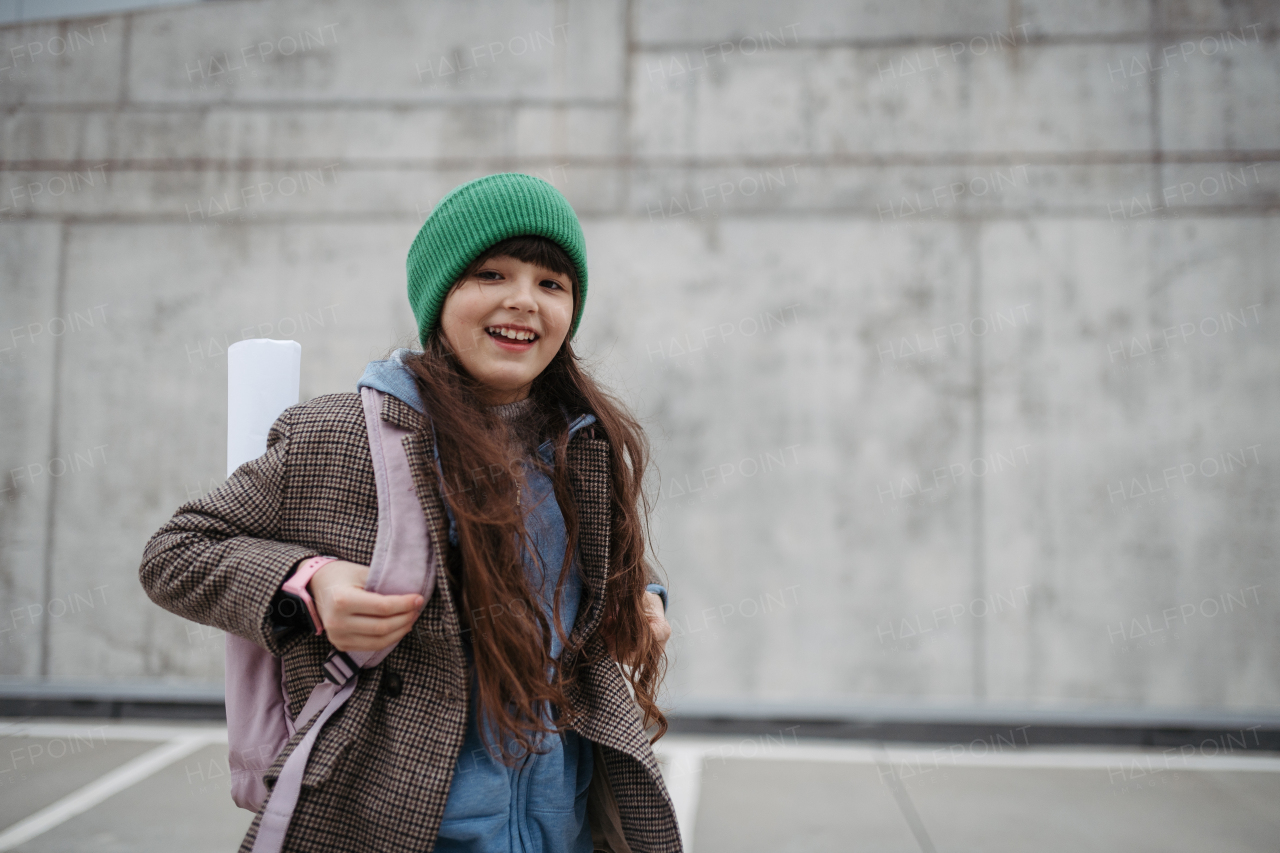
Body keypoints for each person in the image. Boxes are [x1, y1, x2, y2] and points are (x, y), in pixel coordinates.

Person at [139, 173, 681, 853]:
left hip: (562, 826)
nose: (524, 301)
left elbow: (589, 576)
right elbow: (176, 551)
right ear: (438, 295)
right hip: (398, 824)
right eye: (491, 273)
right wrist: (309, 585)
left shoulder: (582, 444)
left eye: (552, 283)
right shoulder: (339, 435)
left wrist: (642, 601)